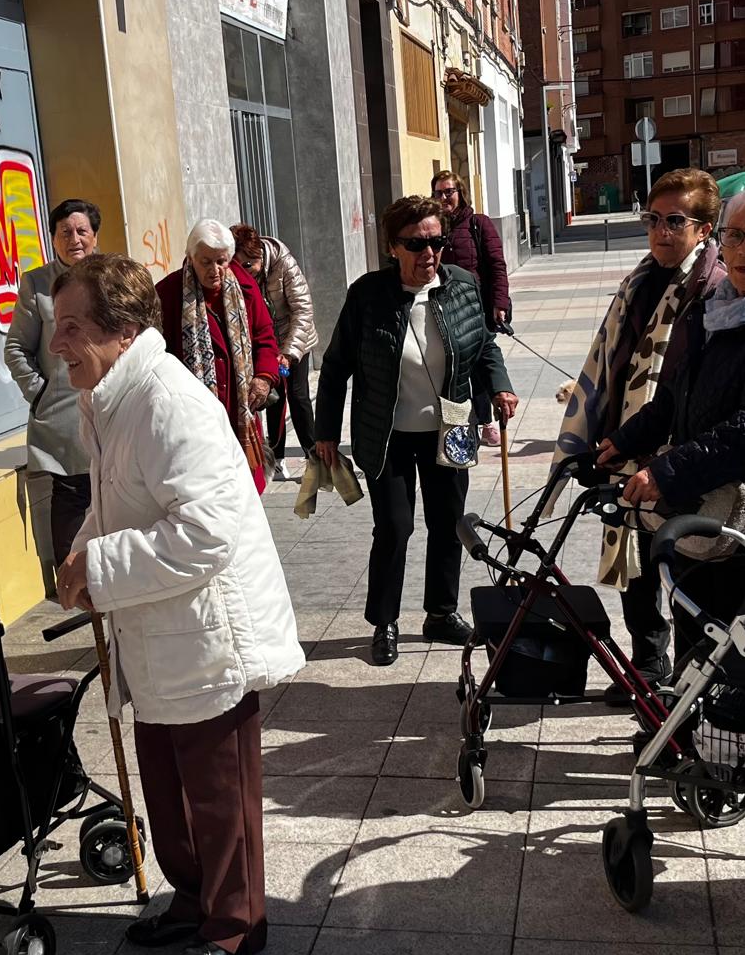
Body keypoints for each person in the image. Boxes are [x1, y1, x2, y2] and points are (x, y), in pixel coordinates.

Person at [50, 254, 304, 955]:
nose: (57, 344)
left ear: (123, 331)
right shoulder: (106, 395)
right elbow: (114, 505)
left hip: (203, 633)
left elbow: (208, 531)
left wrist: (99, 570)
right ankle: (195, 899)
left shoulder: (166, 399)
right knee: (169, 787)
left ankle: (237, 921)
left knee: (219, 792)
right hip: (158, 628)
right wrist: (80, 556)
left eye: (73, 327)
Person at [598, 186, 745, 662]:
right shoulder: (721, 307)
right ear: (720, 242)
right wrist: (623, 441)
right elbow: (674, 395)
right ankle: (685, 731)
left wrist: (665, 472)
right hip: (711, 504)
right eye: (735, 236)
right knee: (697, 638)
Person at [315, 195, 518, 666]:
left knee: (449, 522)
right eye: (416, 244)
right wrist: (325, 430)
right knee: (394, 526)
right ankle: (384, 621)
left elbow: (484, 345)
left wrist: (500, 387)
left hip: (450, 426)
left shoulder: (463, 286)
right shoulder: (368, 295)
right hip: (387, 434)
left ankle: (440, 613)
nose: (429, 253)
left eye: (437, 241)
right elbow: (335, 365)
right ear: (392, 247)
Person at [553, 168, 725, 701]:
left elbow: (696, 386)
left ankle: (694, 685)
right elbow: (615, 359)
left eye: (676, 221)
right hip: (627, 442)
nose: (662, 231)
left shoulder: (714, 288)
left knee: (683, 564)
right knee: (636, 560)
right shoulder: (641, 279)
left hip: (681, 451)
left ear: (703, 227)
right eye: (654, 219)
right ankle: (648, 664)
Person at [4, 198, 101, 573]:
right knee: (74, 495)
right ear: (54, 238)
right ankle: (72, 579)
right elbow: (16, 349)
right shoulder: (38, 285)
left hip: (113, 404)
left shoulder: (113, 276)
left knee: (117, 488)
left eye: (81, 231)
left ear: (95, 235)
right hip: (64, 417)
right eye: (65, 233)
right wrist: (41, 393)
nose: (74, 240)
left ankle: (114, 575)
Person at [156, 220, 280, 493]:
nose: (215, 270)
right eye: (206, 262)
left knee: (245, 490)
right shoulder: (167, 293)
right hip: (193, 413)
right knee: (206, 489)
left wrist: (263, 377)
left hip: (239, 408)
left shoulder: (244, 287)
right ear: (190, 258)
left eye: (222, 261)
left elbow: (265, 335)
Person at [232, 224, 318, 481]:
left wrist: (289, 353)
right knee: (272, 398)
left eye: (249, 265)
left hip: (294, 341)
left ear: (260, 256)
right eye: (239, 266)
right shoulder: (236, 276)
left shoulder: (283, 263)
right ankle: (276, 459)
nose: (244, 272)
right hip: (265, 345)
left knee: (298, 395)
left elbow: (302, 310)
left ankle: (314, 458)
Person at [432, 169, 511, 447]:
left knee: (479, 365)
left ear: (460, 193)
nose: (444, 198)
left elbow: (496, 265)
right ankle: (463, 423)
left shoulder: (479, 223)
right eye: (438, 192)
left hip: (476, 307)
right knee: (454, 368)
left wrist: (499, 303)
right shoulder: (435, 227)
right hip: (443, 309)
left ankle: (485, 422)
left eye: (449, 192)